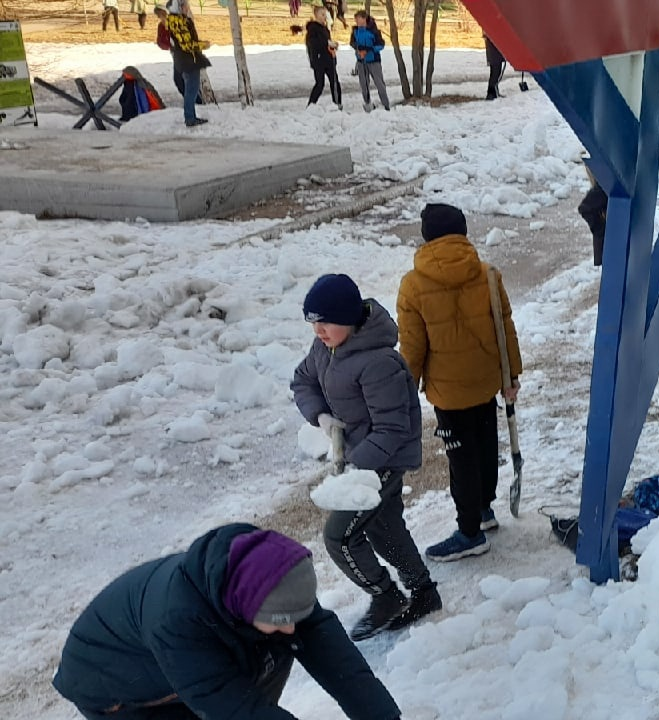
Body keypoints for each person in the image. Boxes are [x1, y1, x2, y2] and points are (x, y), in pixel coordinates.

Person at [52, 524, 404, 720]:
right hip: (116, 688)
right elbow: (235, 709)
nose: (290, 628)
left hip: (184, 658)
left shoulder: (273, 578)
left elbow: (340, 664)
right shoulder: (178, 623)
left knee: (277, 648)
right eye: (279, 620)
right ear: (244, 607)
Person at [292, 273, 440, 640]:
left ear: (348, 319)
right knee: (383, 526)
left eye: (326, 322)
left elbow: (392, 428)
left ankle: (385, 595)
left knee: (339, 536)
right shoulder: (325, 349)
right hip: (358, 454)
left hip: (383, 460)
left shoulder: (379, 363)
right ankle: (423, 592)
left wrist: (355, 472)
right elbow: (303, 380)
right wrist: (321, 416)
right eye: (313, 323)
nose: (318, 331)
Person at [397, 204, 523, 562]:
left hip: (448, 392)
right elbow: (505, 327)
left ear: (427, 237)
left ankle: (469, 533)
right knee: (484, 444)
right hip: (485, 382)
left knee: (461, 459)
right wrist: (511, 375)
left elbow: (412, 347)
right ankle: (483, 510)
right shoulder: (487, 274)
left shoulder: (413, 285)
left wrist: (405, 393)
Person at [164, 0, 209, 127]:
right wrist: (203, 45)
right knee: (191, 90)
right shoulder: (178, 23)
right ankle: (190, 118)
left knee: (191, 89)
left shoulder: (179, 20)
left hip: (187, 59)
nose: (188, 8)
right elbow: (186, 44)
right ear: (178, 8)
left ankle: (191, 116)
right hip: (187, 60)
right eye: (185, 6)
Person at [350, 10, 390, 111]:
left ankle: (385, 104)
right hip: (361, 61)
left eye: (358, 19)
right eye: (356, 20)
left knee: (379, 83)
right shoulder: (355, 31)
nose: (357, 22)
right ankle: (367, 103)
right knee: (364, 83)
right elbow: (352, 42)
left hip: (374, 61)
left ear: (364, 19)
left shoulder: (373, 31)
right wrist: (358, 48)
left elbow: (381, 45)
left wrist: (369, 49)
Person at [306, 6, 342, 109]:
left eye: (325, 14)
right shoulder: (312, 29)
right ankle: (311, 105)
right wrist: (327, 43)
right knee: (319, 84)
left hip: (328, 59)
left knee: (334, 82)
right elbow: (313, 44)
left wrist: (333, 46)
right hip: (318, 60)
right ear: (316, 15)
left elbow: (327, 42)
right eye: (322, 14)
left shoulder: (325, 29)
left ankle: (337, 104)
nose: (324, 17)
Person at [485, 34, 506, 100]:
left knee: (496, 73)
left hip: (495, 55)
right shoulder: (491, 34)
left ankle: (493, 92)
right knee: (495, 73)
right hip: (494, 55)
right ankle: (491, 94)